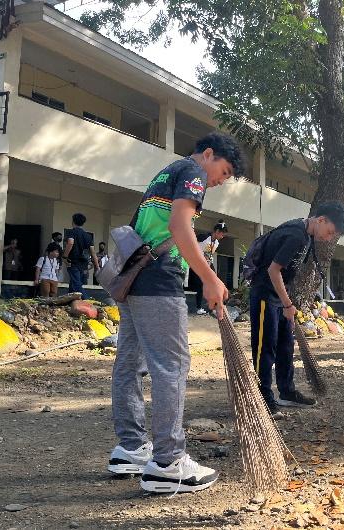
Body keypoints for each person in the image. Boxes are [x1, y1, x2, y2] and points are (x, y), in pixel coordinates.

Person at [107, 132, 245, 494]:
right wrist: (210, 278)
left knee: (129, 362)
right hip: (156, 281)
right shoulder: (193, 172)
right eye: (224, 171)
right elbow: (179, 227)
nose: (220, 180)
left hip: (132, 280)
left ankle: (132, 449)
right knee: (171, 364)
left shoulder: (165, 173)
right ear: (209, 154)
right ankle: (168, 463)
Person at [249, 201, 344, 416]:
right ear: (321, 220)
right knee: (265, 348)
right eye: (330, 232)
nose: (329, 238)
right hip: (265, 294)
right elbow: (273, 270)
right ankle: (263, 397)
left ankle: (287, 392)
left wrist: (287, 302)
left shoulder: (305, 234)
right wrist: (287, 304)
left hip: (279, 295)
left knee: (285, 344)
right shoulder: (295, 235)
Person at [191, 221, 229, 315]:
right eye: (222, 233)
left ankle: (214, 307)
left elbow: (210, 254)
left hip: (208, 264)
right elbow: (191, 241)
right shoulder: (203, 237)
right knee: (200, 285)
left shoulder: (216, 243)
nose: (223, 235)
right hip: (198, 263)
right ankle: (199, 307)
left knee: (215, 283)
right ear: (216, 231)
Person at [63, 214, 99, 298]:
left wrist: (65, 256)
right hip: (84, 265)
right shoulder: (88, 236)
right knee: (73, 283)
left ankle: (88, 301)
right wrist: (97, 266)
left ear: (73, 221)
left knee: (76, 284)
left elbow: (70, 243)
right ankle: (69, 302)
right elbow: (93, 252)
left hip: (73, 262)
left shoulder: (72, 232)